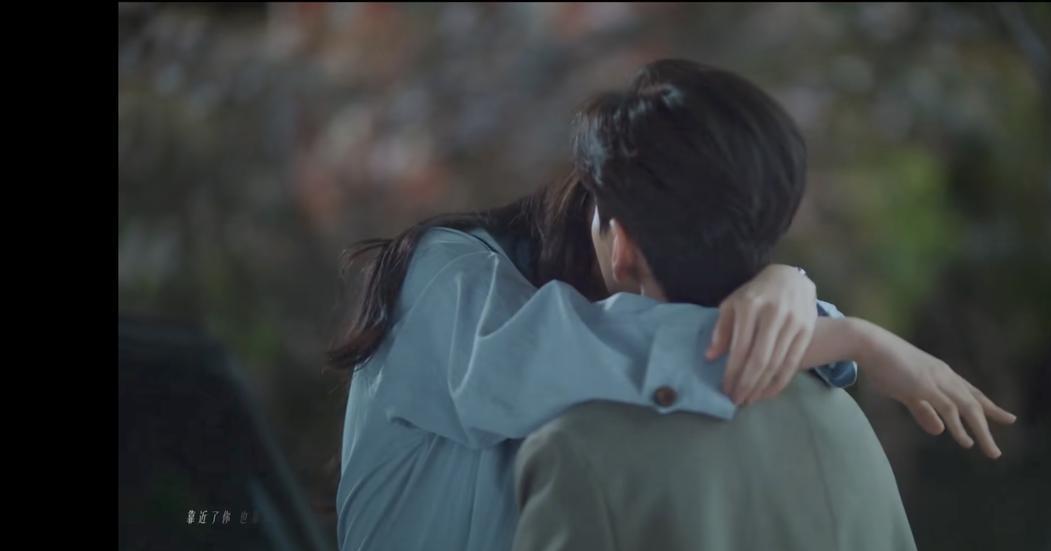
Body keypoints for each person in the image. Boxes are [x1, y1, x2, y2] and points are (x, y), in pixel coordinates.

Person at [331, 59, 1014, 551]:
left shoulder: (627, 331)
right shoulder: (444, 277)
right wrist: (844, 335)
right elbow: (563, 358)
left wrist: (796, 295)